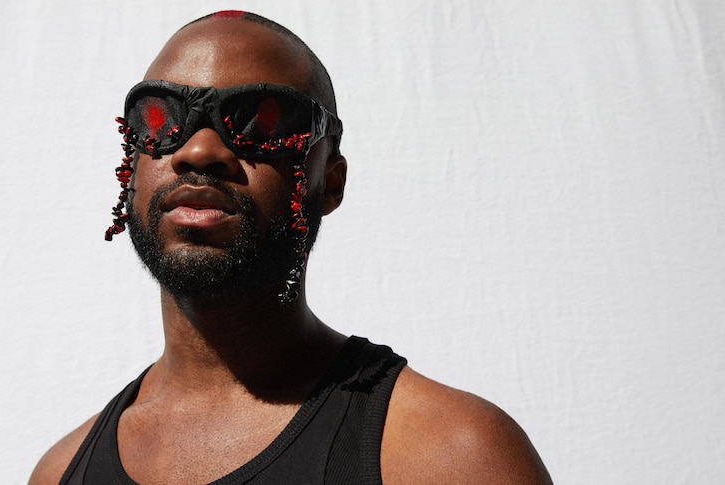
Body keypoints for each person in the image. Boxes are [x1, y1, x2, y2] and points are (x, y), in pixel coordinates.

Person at [30, 11, 552, 484]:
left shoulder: (450, 456)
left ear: (330, 183)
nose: (199, 150)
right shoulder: (59, 474)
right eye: (160, 117)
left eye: (263, 120)